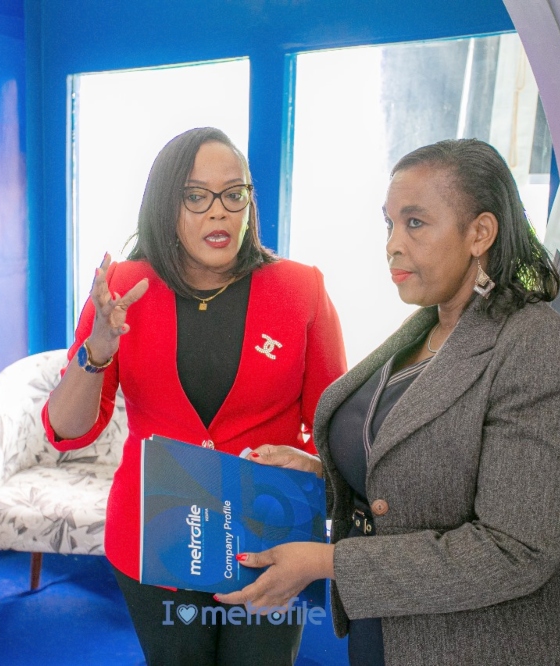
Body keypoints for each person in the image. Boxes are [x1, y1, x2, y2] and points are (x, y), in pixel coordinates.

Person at [217, 138, 560, 665]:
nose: (393, 244)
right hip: (389, 634)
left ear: (479, 233)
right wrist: (322, 474)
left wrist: (329, 562)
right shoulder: (425, 329)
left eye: (415, 223)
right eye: (389, 224)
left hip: (485, 647)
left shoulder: (538, 346)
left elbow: (517, 550)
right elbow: (417, 469)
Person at [42, 127, 347, 665]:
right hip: (154, 537)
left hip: (266, 533)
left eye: (234, 194)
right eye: (196, 196)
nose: (219, 212)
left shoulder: (301, 290)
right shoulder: (122, 290)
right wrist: (97, 350)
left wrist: (316, 465)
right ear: (167, 204)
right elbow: (65, 430)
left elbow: (334, 431)